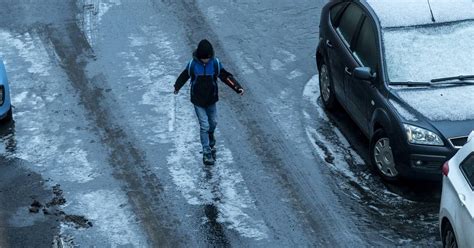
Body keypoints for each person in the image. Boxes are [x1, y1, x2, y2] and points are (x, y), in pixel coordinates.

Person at [174, 39, 244, 165]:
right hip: (198, 101)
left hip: (211, 99)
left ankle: (210, 138)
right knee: (204, 125)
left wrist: (237, 88)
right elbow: (184, 75)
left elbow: (226, 77)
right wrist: (177, 87)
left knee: (213, 122)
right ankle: (206, 152)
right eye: (203, 58)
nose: (205, 60)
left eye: (207, 58)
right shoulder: (193, 65)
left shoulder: (215, 64)